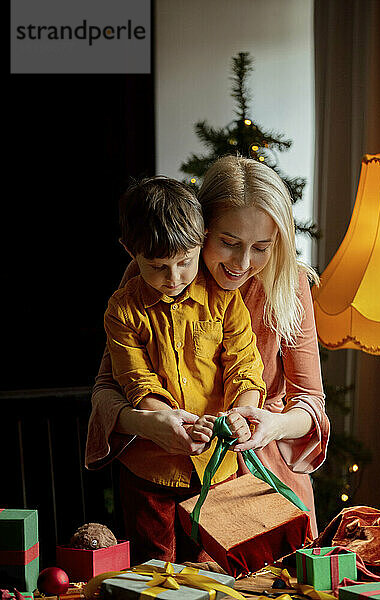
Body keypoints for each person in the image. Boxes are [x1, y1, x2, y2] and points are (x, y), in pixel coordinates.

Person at [85, 156, 329, 543]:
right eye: (228, 243)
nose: (242, 264)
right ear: (200, 231)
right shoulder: (158, 270)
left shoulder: (289, 282)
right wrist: (146, 423)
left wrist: (271, 426)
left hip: (263, 475)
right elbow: (108, 386)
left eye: (261, 247)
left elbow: (311, 402)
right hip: (167, 472)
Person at [101, 175, 266, 563]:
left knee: (215, 568)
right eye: (158, 266)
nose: (173, 278)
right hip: (149, 472)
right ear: (130, 250)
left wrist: (243, 411)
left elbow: (244, 364)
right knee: (155, 568)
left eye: (184, 261)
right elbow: (135, 379)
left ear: (202, 240)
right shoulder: (122, 310)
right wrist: (165, 421)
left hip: (217, 469)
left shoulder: (224, 301)